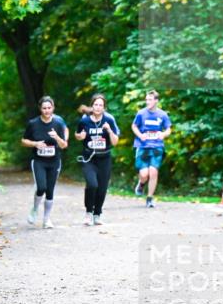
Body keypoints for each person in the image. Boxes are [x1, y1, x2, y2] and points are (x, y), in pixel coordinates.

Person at [21, 96, 69, 229]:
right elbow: (23, 141)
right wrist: (35, 143)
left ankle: (46, 219)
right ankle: (35, 209)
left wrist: (57, 137)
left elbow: (64, 145)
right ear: (40, 109)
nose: (47, 110)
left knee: (50, 190)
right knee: (41, 187)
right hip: (39, 161)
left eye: (49, 108)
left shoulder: (58, 123)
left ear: (53, 108)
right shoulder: (33, 123)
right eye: (44, 108)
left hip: (54, 161)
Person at [75, 94, 120, 225]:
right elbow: (77, 135)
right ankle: (88, 212)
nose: (98, 107)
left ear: (104, 107)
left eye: (101, 105)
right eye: (96, 104)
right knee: (92, 184)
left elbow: (115, 142)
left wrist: (109, 130)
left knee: (102, 188)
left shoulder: (109, 120)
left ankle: (97, 214)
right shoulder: (84, 121)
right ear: (92, 105)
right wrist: (80, 136)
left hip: (104, 158)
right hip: (89, 157)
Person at [131, 90, 171, 208]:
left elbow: (168, 128)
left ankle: (149, 198)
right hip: (142, 146)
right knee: (144, 174)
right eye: (146, 99)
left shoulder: (163, 115)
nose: (147, 101)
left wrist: (164, 134)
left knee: (153, 172)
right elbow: (134, 126)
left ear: (156, 101)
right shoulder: (141, 113)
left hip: (157, 146)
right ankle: (141, 184)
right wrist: (140, 135)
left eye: (150, 99)